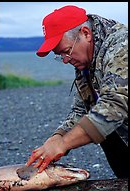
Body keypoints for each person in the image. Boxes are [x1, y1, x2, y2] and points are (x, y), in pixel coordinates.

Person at [26, 5, 128, 178]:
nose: (65, 60)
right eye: (60, 55)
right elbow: (82, 109)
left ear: (86, 33)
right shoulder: (85, 57)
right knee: (95, 120)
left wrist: (64, 144)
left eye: (66, 52)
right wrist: (57, 137)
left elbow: (115, 105)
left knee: (105, 119)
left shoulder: (122, 46)